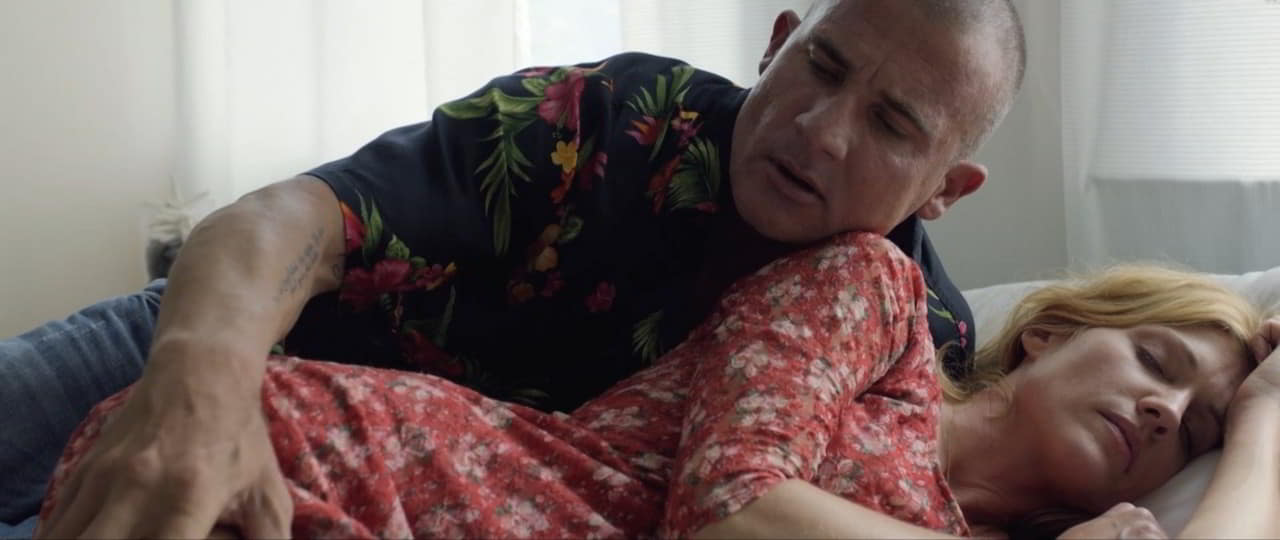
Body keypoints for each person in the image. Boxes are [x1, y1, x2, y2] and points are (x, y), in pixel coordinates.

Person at [8, 0, 1028, 536]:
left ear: (948, 187)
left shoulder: (916, 339)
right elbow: (285, 220)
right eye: (822, 66)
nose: (819, 128)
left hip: (393, 500)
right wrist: (199, 393)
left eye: (892, 125)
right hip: (231, 338)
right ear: (776, 45)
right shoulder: (617, 117)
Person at [35, 250, 1280, 538]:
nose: (1162, 414)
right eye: (1157, 364)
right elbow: (731, 507)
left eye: (1194, 430)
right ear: (1053, 332)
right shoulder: (875, 305)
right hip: (308, 464)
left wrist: (1263, 425)